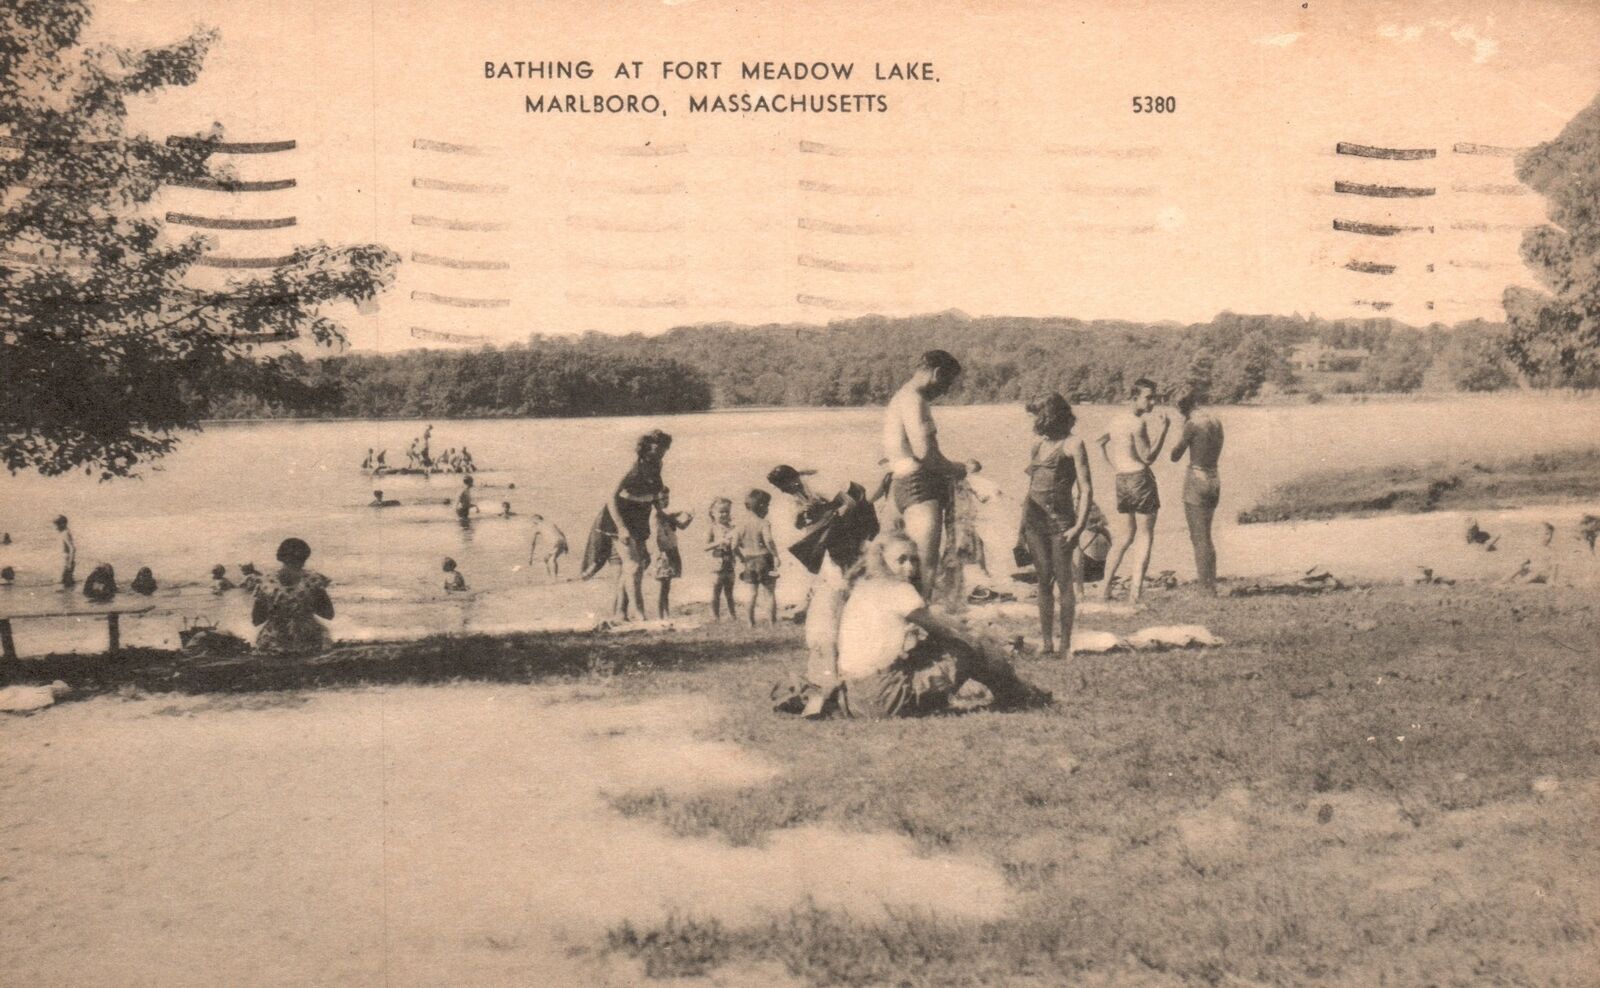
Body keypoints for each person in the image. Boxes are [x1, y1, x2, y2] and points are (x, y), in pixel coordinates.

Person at [835, 535, 1051, 718]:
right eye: (901, 560)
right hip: (886, 697)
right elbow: (946, 632)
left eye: (913, 560)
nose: (909, 567)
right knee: (972, 642)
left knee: (951, 640)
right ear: (882, 561)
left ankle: (1014, 691)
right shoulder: (899, 589)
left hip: (856, 699)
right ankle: (1018, 694)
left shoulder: (863, 589)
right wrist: (980, 634)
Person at [767, 463, 882, 687]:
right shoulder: (796, 492)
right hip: (841, 522)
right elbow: (801, 523)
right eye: (780, 489)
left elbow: (848, 503)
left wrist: (828, 519)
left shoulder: (817, 482)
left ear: (792, 479)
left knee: (850, 562)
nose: (784, 492)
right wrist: (807, 517)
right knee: (827, 556)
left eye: (784, 486)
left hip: (858, 512)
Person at [884, 350, 968, 600]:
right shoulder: (915, 400)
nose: (945, 391)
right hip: (920, 486)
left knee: (892, 569)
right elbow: (925, 454)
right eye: (947, 383)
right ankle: (921, 635)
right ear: (937, 373)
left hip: (898, 485)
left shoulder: (899, 397)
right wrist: (958, 469)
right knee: (924, 569)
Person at [1016, 393, 1092, 655]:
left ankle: (1065, 643)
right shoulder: (1037, 445)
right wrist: (1020, 531)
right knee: (1043, 581)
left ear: (1049, 416)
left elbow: (1086, 489)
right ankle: (1047, 643)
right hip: (1035, 523)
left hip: (1062, 522)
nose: (1034, 422)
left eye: (1037, 416)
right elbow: (1031, 489)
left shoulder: (1073, 444)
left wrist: (1079, 527)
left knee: (1064, 582)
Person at [581, 430, 673, 622]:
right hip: (619, 517)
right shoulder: (631, 466)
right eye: (657, 447)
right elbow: (610, 497)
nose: (661, 452)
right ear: (647, 446)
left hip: (640, 516)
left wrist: (661, 512)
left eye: (664, 449)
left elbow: (654, 491)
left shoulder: (657, 464)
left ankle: (621, 613)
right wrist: (622, 527)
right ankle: (640, 615)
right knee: (633, 566)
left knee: (635, 566)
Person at [1096, 378, 1172, 604]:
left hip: (1122, 480)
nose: (1153, 402)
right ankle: (1135, 594)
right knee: (1145, 535)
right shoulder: (1138, 424)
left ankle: (1103, 589)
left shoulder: (1116, 420)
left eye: (1154, 397)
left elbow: (1099, 442)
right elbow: (1148, 457)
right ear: (1134, 398)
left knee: (1124, 537)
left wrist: (1113, 469)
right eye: (1148, 397)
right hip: (1139, 479)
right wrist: (1165, 429)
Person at [1170, 389, 1225, 594]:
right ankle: (1210, 584)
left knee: (1198, 538)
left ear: (1183, 408)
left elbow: (1175, 455)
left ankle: (1206, 589)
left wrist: (1178, 430)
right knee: (1207, 536)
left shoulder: (1192, 424)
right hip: (1214, 477)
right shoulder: (1215, 421)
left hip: (1196, 478)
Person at [251, 537, 334, 654]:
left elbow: (257, 620)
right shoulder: (313, 579)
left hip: (273, 643)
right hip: (309, 641)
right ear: (305, 557)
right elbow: (328, 614)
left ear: (281, 556)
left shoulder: (265, 582)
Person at [735, 488, 780, 625]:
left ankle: (750, 623)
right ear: (761, 506)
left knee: (751, 593)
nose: (768, 509)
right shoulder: (763, 523)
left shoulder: (741, 525)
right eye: (767, 505)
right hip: (764, 559)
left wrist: (741, 558)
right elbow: (769, 540)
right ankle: (772, 622)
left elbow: (733, 546)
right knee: (769, 593)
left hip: (749, 560)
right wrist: (776, 556)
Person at [647, 490, 694, 618]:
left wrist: (690, 518)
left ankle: (666, 615)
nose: (666, 501)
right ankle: (660, 616)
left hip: (670, 550)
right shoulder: (656, 514)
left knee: (666, 586)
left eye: (667, 498)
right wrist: (660, 553)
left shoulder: (664, 515)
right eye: (662, 499)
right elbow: (656, 536)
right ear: (655, 501)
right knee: (661, 586)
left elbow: (682, 526)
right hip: (662, 552)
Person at [704, 497, 739, 620]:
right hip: (716, 564)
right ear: (712, 513)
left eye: (727, 512)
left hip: (730, 563)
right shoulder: (713, 528)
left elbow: (736, 546)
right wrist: (718, 542)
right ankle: (715, 616)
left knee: (729, 591)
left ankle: (733, 614)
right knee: (716, 591)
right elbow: (705, 546)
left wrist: (742, 557)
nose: (724, 514)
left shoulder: (732, 528)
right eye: (721, 512)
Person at [54, 515, 76, 589]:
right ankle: (68, 597)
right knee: (67, 582)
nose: (55, 527)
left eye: (57, 525)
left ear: (63, 524)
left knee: (63, 582)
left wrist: (69, 563)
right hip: (66, 561)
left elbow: (72, 548)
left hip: (66, 561)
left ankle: (67, 599)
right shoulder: (64, 532)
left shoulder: (65, 533)